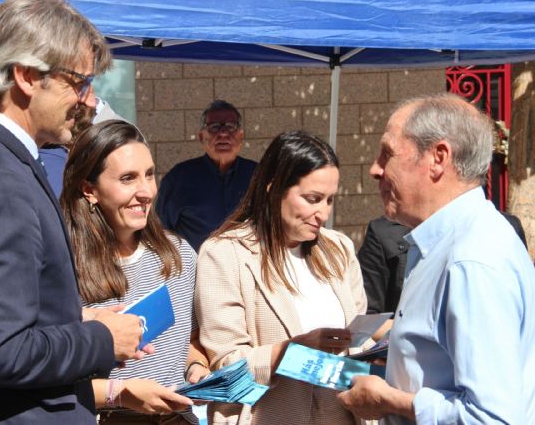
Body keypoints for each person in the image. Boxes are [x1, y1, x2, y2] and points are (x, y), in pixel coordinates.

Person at [0, 0, 148, 423]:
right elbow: (4, 352)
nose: (86, 98)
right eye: (78, 81)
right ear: (25, 76)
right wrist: (100, 338)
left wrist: (69, 316)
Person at [337, 93, 535, 424]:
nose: (375, 169)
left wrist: (391, 400)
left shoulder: (472, 260)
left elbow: (493, 418)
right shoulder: (448, 242)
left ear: (438, 158)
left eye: (387, 153)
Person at [195, 130, 368, 425]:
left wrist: (371, 359)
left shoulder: (339, 249)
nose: (323, 213)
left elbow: (357, 345)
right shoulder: (225, 254)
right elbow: (226, 369)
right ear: (273, 190)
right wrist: (291, 352)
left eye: (329, 200)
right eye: (312, 199)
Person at [60, 120, 210, 424]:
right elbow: (49, 379)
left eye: (150, 175)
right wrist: (121, 392)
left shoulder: (179, 254)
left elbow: (190, 342)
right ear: (90, 190)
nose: (146, 191)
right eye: (128, 178)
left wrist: (198, 369)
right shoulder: (63, 268)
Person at [359, 212, 528, 314]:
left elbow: (524, 302)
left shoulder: (505, 226)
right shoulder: (383, 232)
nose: (377, 170)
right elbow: (367, 314)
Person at [156, 100, 257, 251]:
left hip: (249, 270)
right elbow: (161, 233)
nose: (223, 133)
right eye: (214, 127)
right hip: (197, 272)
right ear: (202, 137)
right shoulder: (178, 178)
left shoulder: (258, 175)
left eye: (230, 127)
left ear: (241, 136)